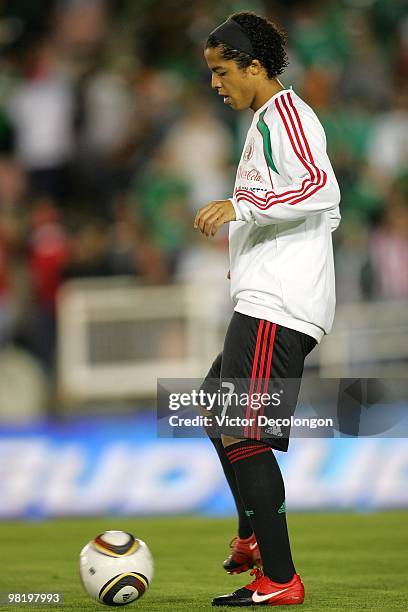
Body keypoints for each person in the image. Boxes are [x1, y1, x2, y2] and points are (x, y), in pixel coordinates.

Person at [193, 12, 341, 607]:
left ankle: (280, 579)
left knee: (242, 428)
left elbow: (319, 186)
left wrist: (241, 206)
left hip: (278, 304)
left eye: (222, 70)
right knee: (213, 406)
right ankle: (252, 534)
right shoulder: (263, 123)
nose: (215, 83)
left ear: (254, 66)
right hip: (265, 296)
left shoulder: (286, 116)